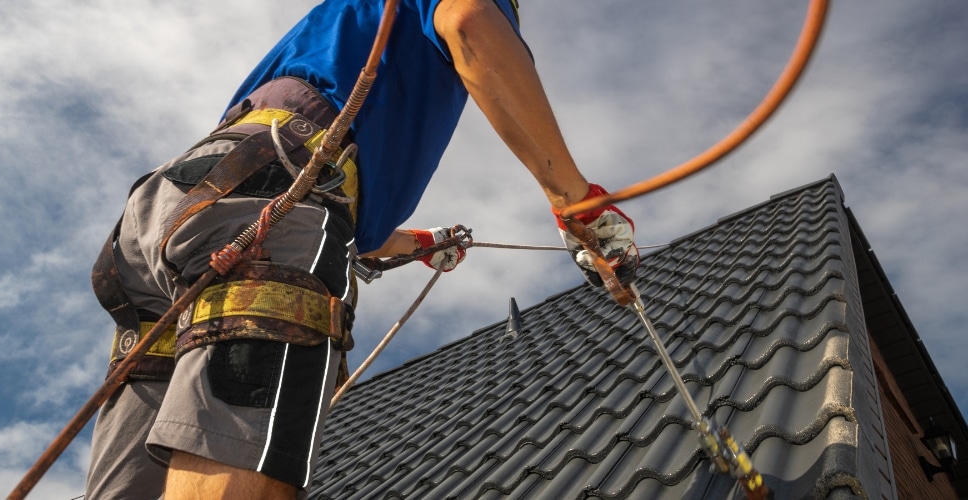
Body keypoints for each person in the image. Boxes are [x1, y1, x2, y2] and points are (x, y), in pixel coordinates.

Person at [84, 0, 638, 498]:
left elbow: (340, 216)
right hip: (275, 193)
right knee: (236, 445)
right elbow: (470, 21)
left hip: (179, 204)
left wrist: (422, 243)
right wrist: (574, 200)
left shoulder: (338, 21)